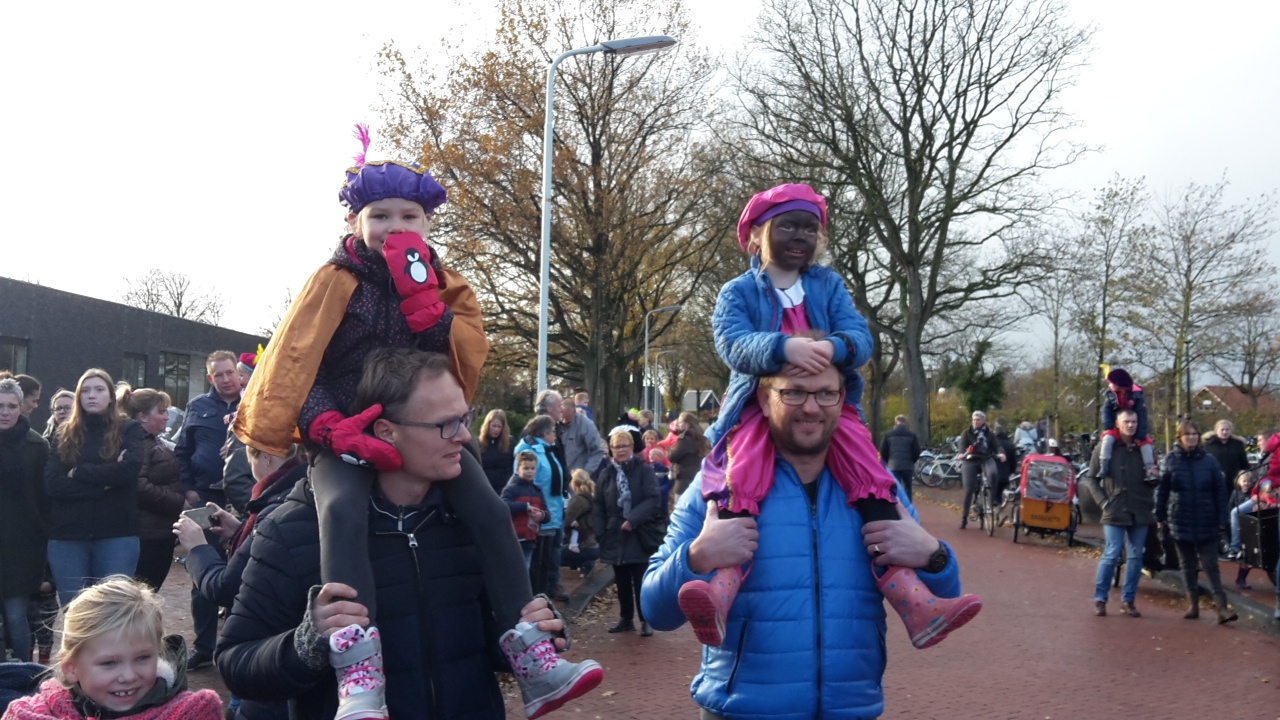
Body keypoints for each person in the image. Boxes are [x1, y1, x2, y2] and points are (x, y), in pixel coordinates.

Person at [231, 131, 597, 720]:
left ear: (428, 224)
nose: (392, 226)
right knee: (341, 510)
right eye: (379, 215)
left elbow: (453, 366)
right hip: (345, 436)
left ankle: (530, 649)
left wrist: (431, 313)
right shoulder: (333, 279)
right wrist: (328, 426)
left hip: (418, 430)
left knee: (488, 509)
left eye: (408, 216)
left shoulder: (443, 281)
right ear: (354, 221)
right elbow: (299, 362)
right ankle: (359, 670)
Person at [218, 348, 602, 720]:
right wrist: (309, 643)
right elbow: (236, 661)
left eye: (464, 419)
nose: (464, 436)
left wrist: (536, 630)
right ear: (386, 431)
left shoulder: (473, 521)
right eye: (446, 424)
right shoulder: (292, 528)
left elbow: (479, 648)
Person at [685, 184, 979, 649]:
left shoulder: (829, 286)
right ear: (757, 234)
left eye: (810, 228)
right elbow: (732, 342)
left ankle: (915, 600)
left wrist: (835, 347)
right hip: (759, 408)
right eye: (787, 226)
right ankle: (720, 591)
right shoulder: (738, 291)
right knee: (742, 478)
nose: (800, 235)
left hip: (828, 408)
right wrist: (783, 347)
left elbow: (860, 336)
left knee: (870, 477)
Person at [642, 360, 965, 719]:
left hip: (851, 710)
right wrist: (696, 557)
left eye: (826, 393)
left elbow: (940, 600)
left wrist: (933, 555)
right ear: (764, 399)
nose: (811, 407)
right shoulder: (717, 483)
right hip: (739, 711)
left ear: (842, 399)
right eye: (794, 392)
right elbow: (655, 611)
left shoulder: (877, 488)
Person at [1, 576, 222, 720]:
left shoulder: (192, 713)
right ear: (70, 668)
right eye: (109, 663)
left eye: (143, 658)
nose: (129, 676)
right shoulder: (29, 714)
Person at [44, 369, 144, 607]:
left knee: (113, 610)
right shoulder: (64, 432)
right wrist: (103, 486)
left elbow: (128, 471)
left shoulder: (129, 429)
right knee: (75, 612)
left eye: (99, 390)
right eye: (85, 390)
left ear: (110, 396)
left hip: (117, 533)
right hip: (68, 535)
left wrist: (78, 472)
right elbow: (53, 483)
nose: (91, 395)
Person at [174, 350, 241, 672]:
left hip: (243, 499)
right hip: (205, 499)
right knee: (202, 570)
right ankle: (203, 647)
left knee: (246, 570)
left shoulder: (254, 403)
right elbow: (182, 452)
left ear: (239, 374)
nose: (226, 380)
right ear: (210, 377)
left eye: (230, 373)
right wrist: (188, 488)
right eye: (219, 375)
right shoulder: (197, 406)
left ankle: (239, 643)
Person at [1156, 420, 1237, 623]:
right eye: (1187, 434)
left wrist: (1223, 518)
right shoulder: (1170, 460)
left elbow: (1220, 491)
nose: (1192, 437)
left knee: (1211, 565)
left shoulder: (1209, 461)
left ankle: (1222, 608)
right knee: (1187, 564)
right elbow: (1162, 491)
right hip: (1180, 519)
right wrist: (1160, 516)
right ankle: (1193, 605)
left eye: (1195, 434)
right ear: (1179, 437)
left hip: (1206, 518)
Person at [1084, 408, 1158, 618]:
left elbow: (1153, 477)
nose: (1131, 425)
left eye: (1134, 421)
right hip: (1114, 507)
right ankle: (1100, 598)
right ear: (1117, 423)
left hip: (1140, 508)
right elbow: (1091, 478)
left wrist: (1154, 480)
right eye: (1126, 421)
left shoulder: (1146, 447)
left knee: (1136, 556)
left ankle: (1128, 600)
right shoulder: (1105, 447)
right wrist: (1103, 502)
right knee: (1112, 552)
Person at [593, 431, 662, 637]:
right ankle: (626, 618)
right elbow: (599, 506)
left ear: (632, 447)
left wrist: (633, 519)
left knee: (641, 579)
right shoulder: (606, 474)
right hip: (614, 532)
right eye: (616, 447)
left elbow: (653, 499)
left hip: (639, 532)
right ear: (611, 450)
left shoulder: (644, 471)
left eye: (624, 446)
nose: (621, 450)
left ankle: (646, 619)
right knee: (621, 577)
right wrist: (600, 533)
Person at [0, 377, 49, 665]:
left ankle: (23, 676)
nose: (5, 412)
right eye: (0, 406)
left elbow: (45, 501)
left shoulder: (37, 446)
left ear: (21, 408)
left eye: (11, 406)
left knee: (17, 617)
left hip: (22, 547)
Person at [120, 387, 184, 593]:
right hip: (149, 535)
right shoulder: (139, 443)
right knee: (143, 593)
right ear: (143, 417)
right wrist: (178, 502)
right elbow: (138, 486)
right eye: (162, 412)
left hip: (157, 531)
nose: (167, 417)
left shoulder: (151, 441)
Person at [513, 416, 566, 600]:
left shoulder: (548, 450)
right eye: (553, 431)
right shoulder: (528, 452)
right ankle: (534, 596)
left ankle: (547, 591)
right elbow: (524, 483)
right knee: (536, 562)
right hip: (537, 516)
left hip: (552, 512)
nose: (555, 435)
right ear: (544, 433)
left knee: (548, 558)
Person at [1097, 368, 1157, 482]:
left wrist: (1140, 434)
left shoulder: (1136, 395)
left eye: (1111, 383)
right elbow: (1106, 410)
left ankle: (1150, 469)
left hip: (1134, 423)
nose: (1109, 385)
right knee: (1107, 439)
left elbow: (1142, 414)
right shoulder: (1110, 394)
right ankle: (1104, 464)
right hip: (1117, 425)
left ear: (1119, 384)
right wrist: (1108, 425)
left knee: (1146, 443)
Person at [958, 411, 1005, 530]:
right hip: (971, 460)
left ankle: (991, 501)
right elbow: (962, 446)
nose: (975, 421)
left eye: (978, 419)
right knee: (969, 488)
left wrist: (1001, 453)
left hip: (986, 458)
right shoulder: (967, 433)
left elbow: (997, 446)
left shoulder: (990, 434)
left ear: (983, 421)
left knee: (993, 473)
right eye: (974, 419)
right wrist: (961, 454)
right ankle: (964, 517)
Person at [502, 451, 548, 568]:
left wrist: (541, 515)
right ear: (518, 469)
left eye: (532, 468)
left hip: (530, 537)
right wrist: (525, 507)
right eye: (526, 468)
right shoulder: (511, 489)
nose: (529, 471)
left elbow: (547, 514)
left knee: (526, 567)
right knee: (513, 568)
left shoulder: (538, 490)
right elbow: (503, 505)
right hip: (514, 537)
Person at [1227, 477, 1278, 559]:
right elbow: (1258, 489)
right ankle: (1235, 547)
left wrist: (1269, 505)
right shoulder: (1265, 481)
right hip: (1259, 498)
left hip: (1273, 504)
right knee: (1235, 512)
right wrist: (1259, 499)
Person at [561, 470, 599, 579]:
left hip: (585, 545)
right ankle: (586, 562)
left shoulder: (578, 499)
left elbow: (566, 520)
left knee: (553, 556)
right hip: (595, 544)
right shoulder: (593, 496)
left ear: (574, 483)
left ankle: (585, 562)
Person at [666, 412, 709, 504]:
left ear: (687, 424)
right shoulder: (702, 438)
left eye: (680, 422)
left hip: (684, 479)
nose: (678, 424)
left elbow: (672, 457)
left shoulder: (684, 439)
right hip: (699, 478)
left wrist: (670, 449)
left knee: (680, 507)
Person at [878, 415, 922, 501]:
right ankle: (908, 506)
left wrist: (889, 461)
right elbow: (916, 452)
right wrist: (911, 461)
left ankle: (897, 505)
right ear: (905, 422)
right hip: (907, 466)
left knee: (895, 488)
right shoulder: (912, 435)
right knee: (908, 488)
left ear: (895, 422)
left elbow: (883, 451)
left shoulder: (888, 435)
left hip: (893, 466)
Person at [1203, 420, 1248, 499]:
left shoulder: (1237, 445)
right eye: (1222, 430)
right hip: (1214, 481)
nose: (1225, 432)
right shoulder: (1208, 445)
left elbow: (1244, 464)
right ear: (1216, 431)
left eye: (1227, 430)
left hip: (1234, 482)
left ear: (1231, 431)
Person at [558, 400, 605, 476]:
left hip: (577, 473)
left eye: (568, 419)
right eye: (563, 417)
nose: (564, 421)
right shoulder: (554, 422)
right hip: (559, 474)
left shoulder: (586, 425)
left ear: (574, 412)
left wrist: (586, 472)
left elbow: (597, 450)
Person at [479, 409, 515, 494]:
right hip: (485, 488)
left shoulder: (510, 443)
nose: (496, 430)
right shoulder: (479, 443)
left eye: (499, 427)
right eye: (494, 426)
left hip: (504, 489)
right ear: (487, 425)